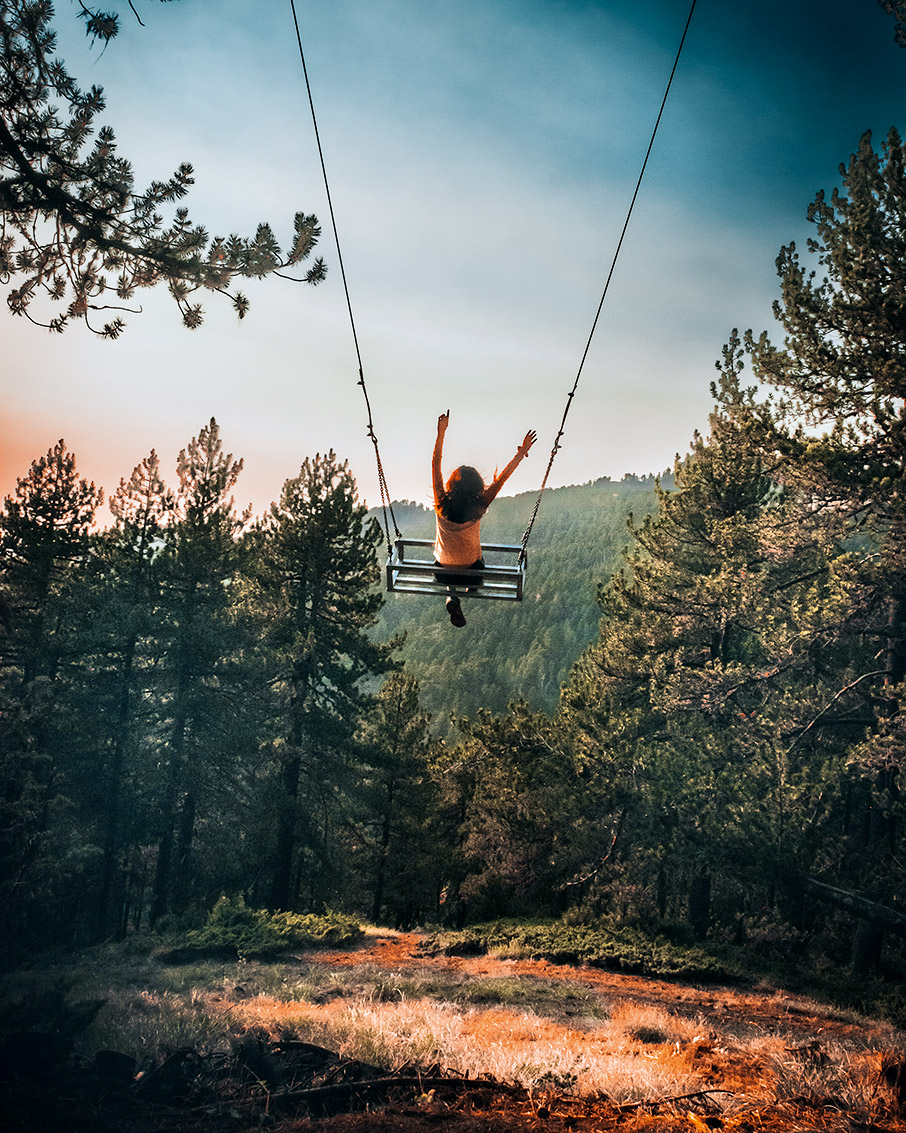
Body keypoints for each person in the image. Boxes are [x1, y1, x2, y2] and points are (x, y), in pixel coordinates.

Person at [432, 410, 536, 627]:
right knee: (476, 566)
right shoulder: (479, 505)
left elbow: (435, 465)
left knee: (450, 562)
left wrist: (441, 433)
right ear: (477, 486)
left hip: (441, 572)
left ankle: (452, 597)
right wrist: (522, 452)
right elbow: (504, 477)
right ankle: (468, 589)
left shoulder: (441, 501)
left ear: (452, 484)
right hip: (471, 572)